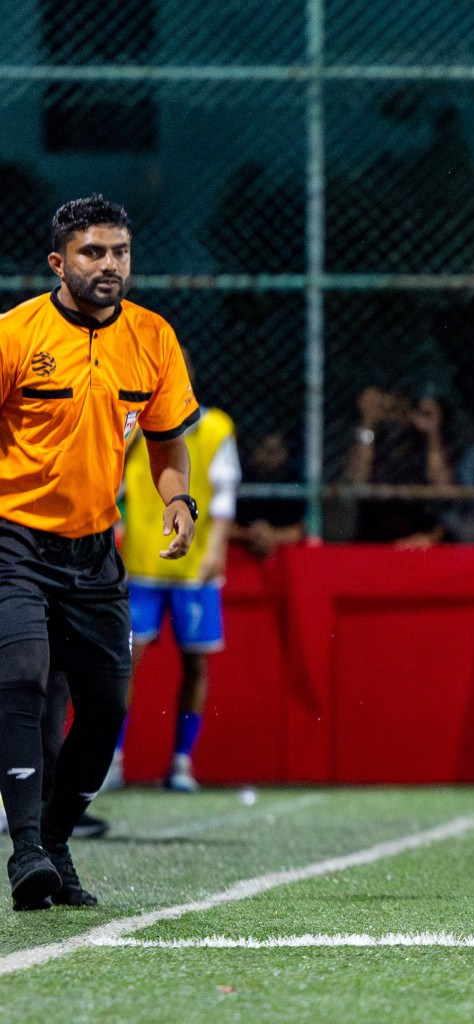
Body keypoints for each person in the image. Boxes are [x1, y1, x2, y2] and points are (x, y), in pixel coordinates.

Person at [0, 195, 199, 910]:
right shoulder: (13, 335)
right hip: (13, 539)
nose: (109, 264)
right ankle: (26, 851)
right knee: (21, 680)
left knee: (108, 707)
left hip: (94, 551)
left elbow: (168, 434)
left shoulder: (152, 337)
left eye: (119, 252)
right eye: (93, 253)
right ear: (59, 263)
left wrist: (177, 499)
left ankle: (55, 840)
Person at [106, 355, 239, 793]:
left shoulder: (217, 427)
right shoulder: (134, 423)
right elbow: (112, 478)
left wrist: (217, 546)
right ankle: (113, 759)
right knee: (125, 661)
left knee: (195, 662)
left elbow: (223, 495)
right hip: (142, 560)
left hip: (194, 566)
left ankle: (181, 761)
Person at [347, 386, 450, 547]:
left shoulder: (423, 447)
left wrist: (432, 432)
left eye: (400, 410)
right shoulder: (372, 444)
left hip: (417, 539)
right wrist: (368, 421)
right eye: (389, 411)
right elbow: (357, 479)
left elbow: (443, 487)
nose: (395, 419)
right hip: (373, 541)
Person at [233, 432, 306, 558]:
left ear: (285, 453)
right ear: (255, 451)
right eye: (265, 449)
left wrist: (271, 535)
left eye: (275, 451)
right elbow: (223, 524)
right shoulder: (239, 480)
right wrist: (249, 534)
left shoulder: (293, 483)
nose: (270, 456)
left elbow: (299, 531)